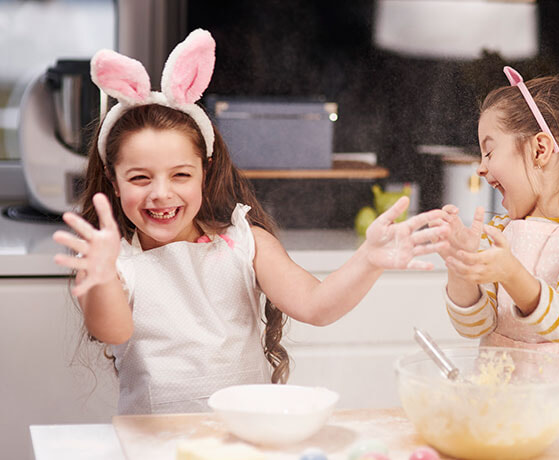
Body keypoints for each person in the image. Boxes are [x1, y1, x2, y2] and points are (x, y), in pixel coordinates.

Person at [52, 29, 449, 415]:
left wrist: (369, 260)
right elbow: (113, 330)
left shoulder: (244, 242)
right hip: (155, 444)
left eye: (180, 175)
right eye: (140, 178)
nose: (161, 193)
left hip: (243, 438)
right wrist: (102, 277)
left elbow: (317, 306)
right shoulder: (111, 262)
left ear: (204, 172)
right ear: (114, 182)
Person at [436, 66, 559, 413]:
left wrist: (511, 272)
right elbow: (475, 325)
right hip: (503, 411)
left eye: (490, 151)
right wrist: (459, 269)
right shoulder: (502, 229)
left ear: (540, 149)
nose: (480, 168)